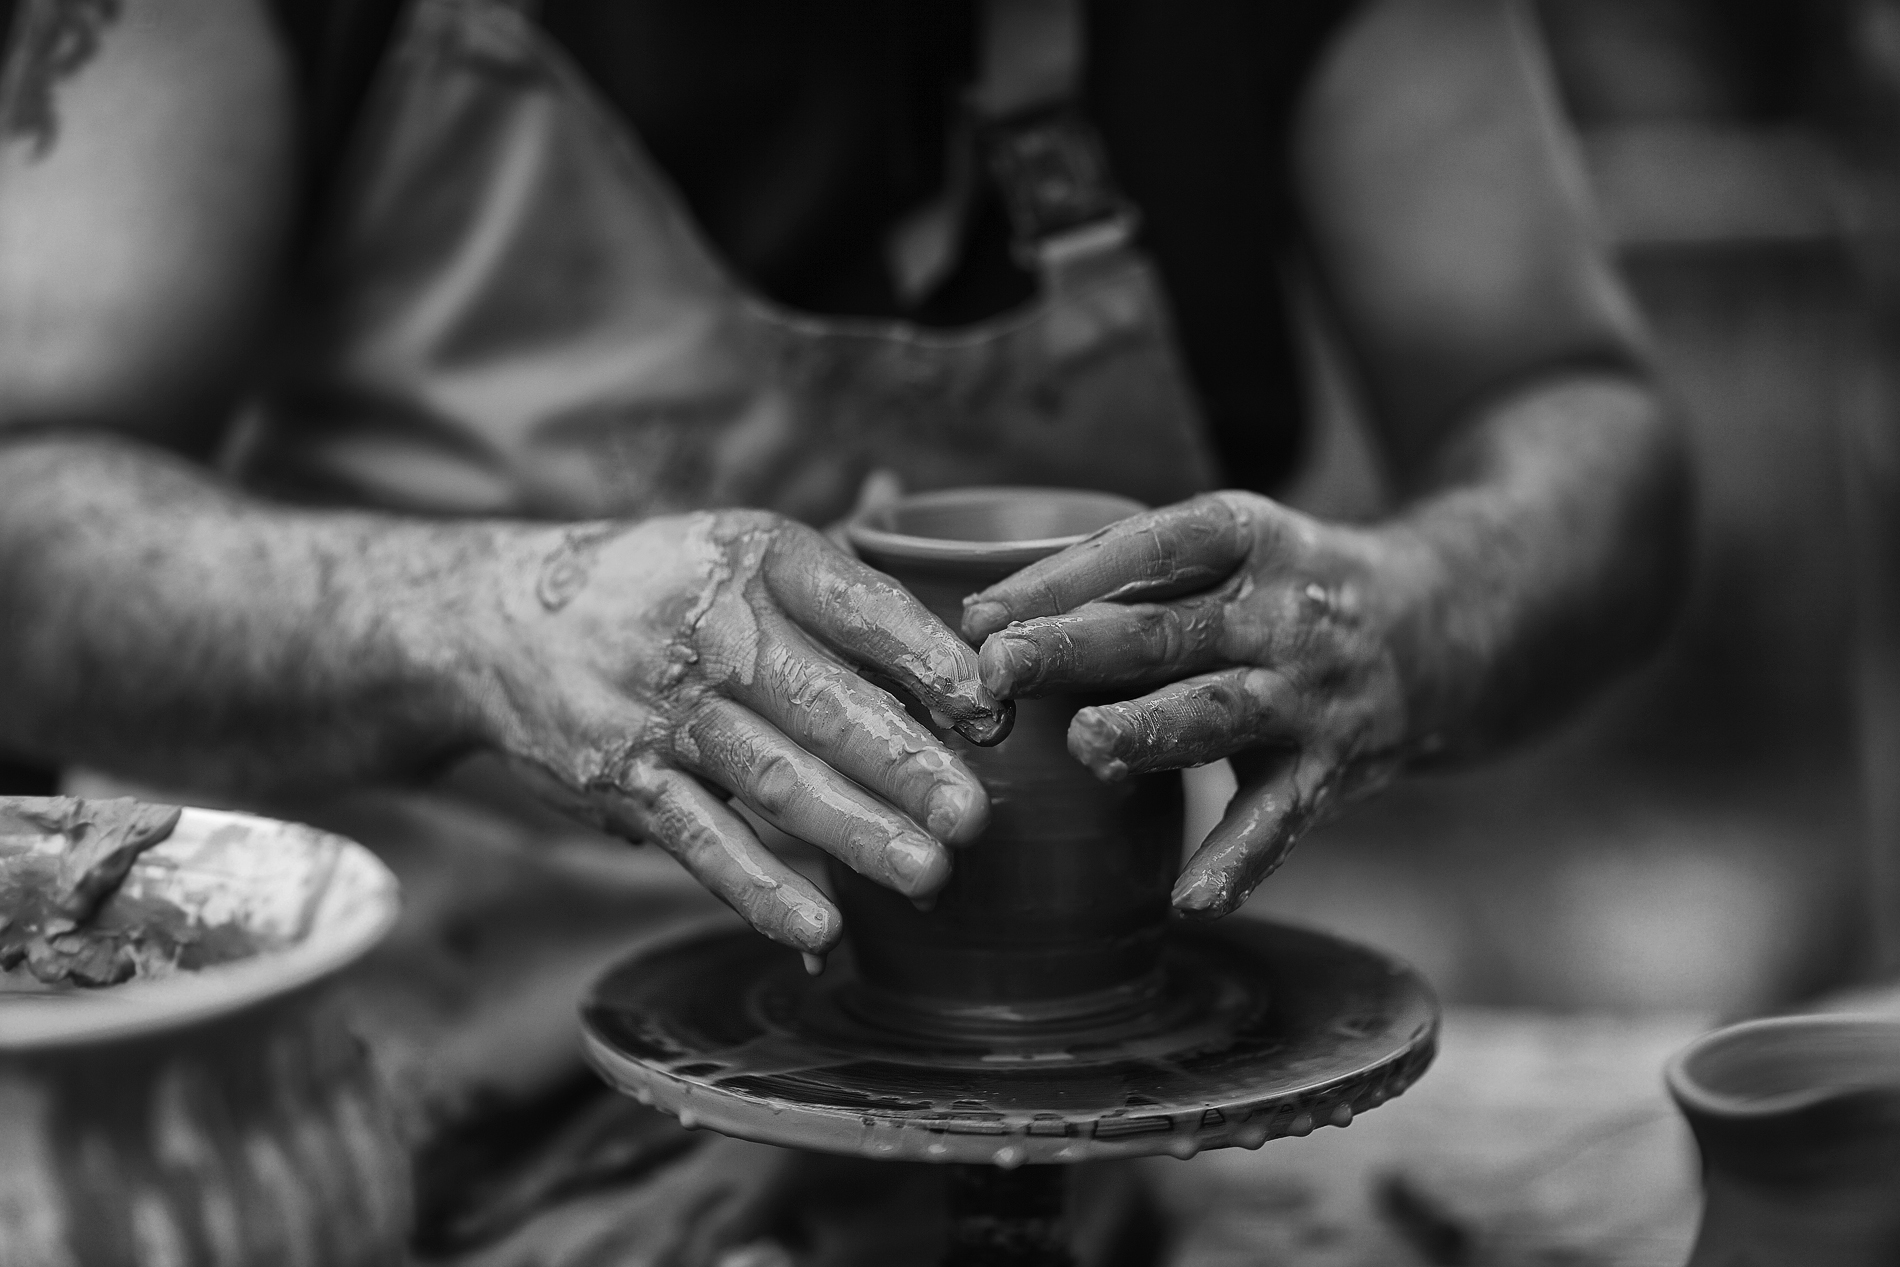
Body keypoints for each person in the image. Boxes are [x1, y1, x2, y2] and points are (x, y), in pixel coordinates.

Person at [0, 0, 1691, 1259]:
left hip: (1100, 1147)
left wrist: (1417, 608)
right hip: (396, 1146)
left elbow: (1584, 418)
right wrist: (488, 620)